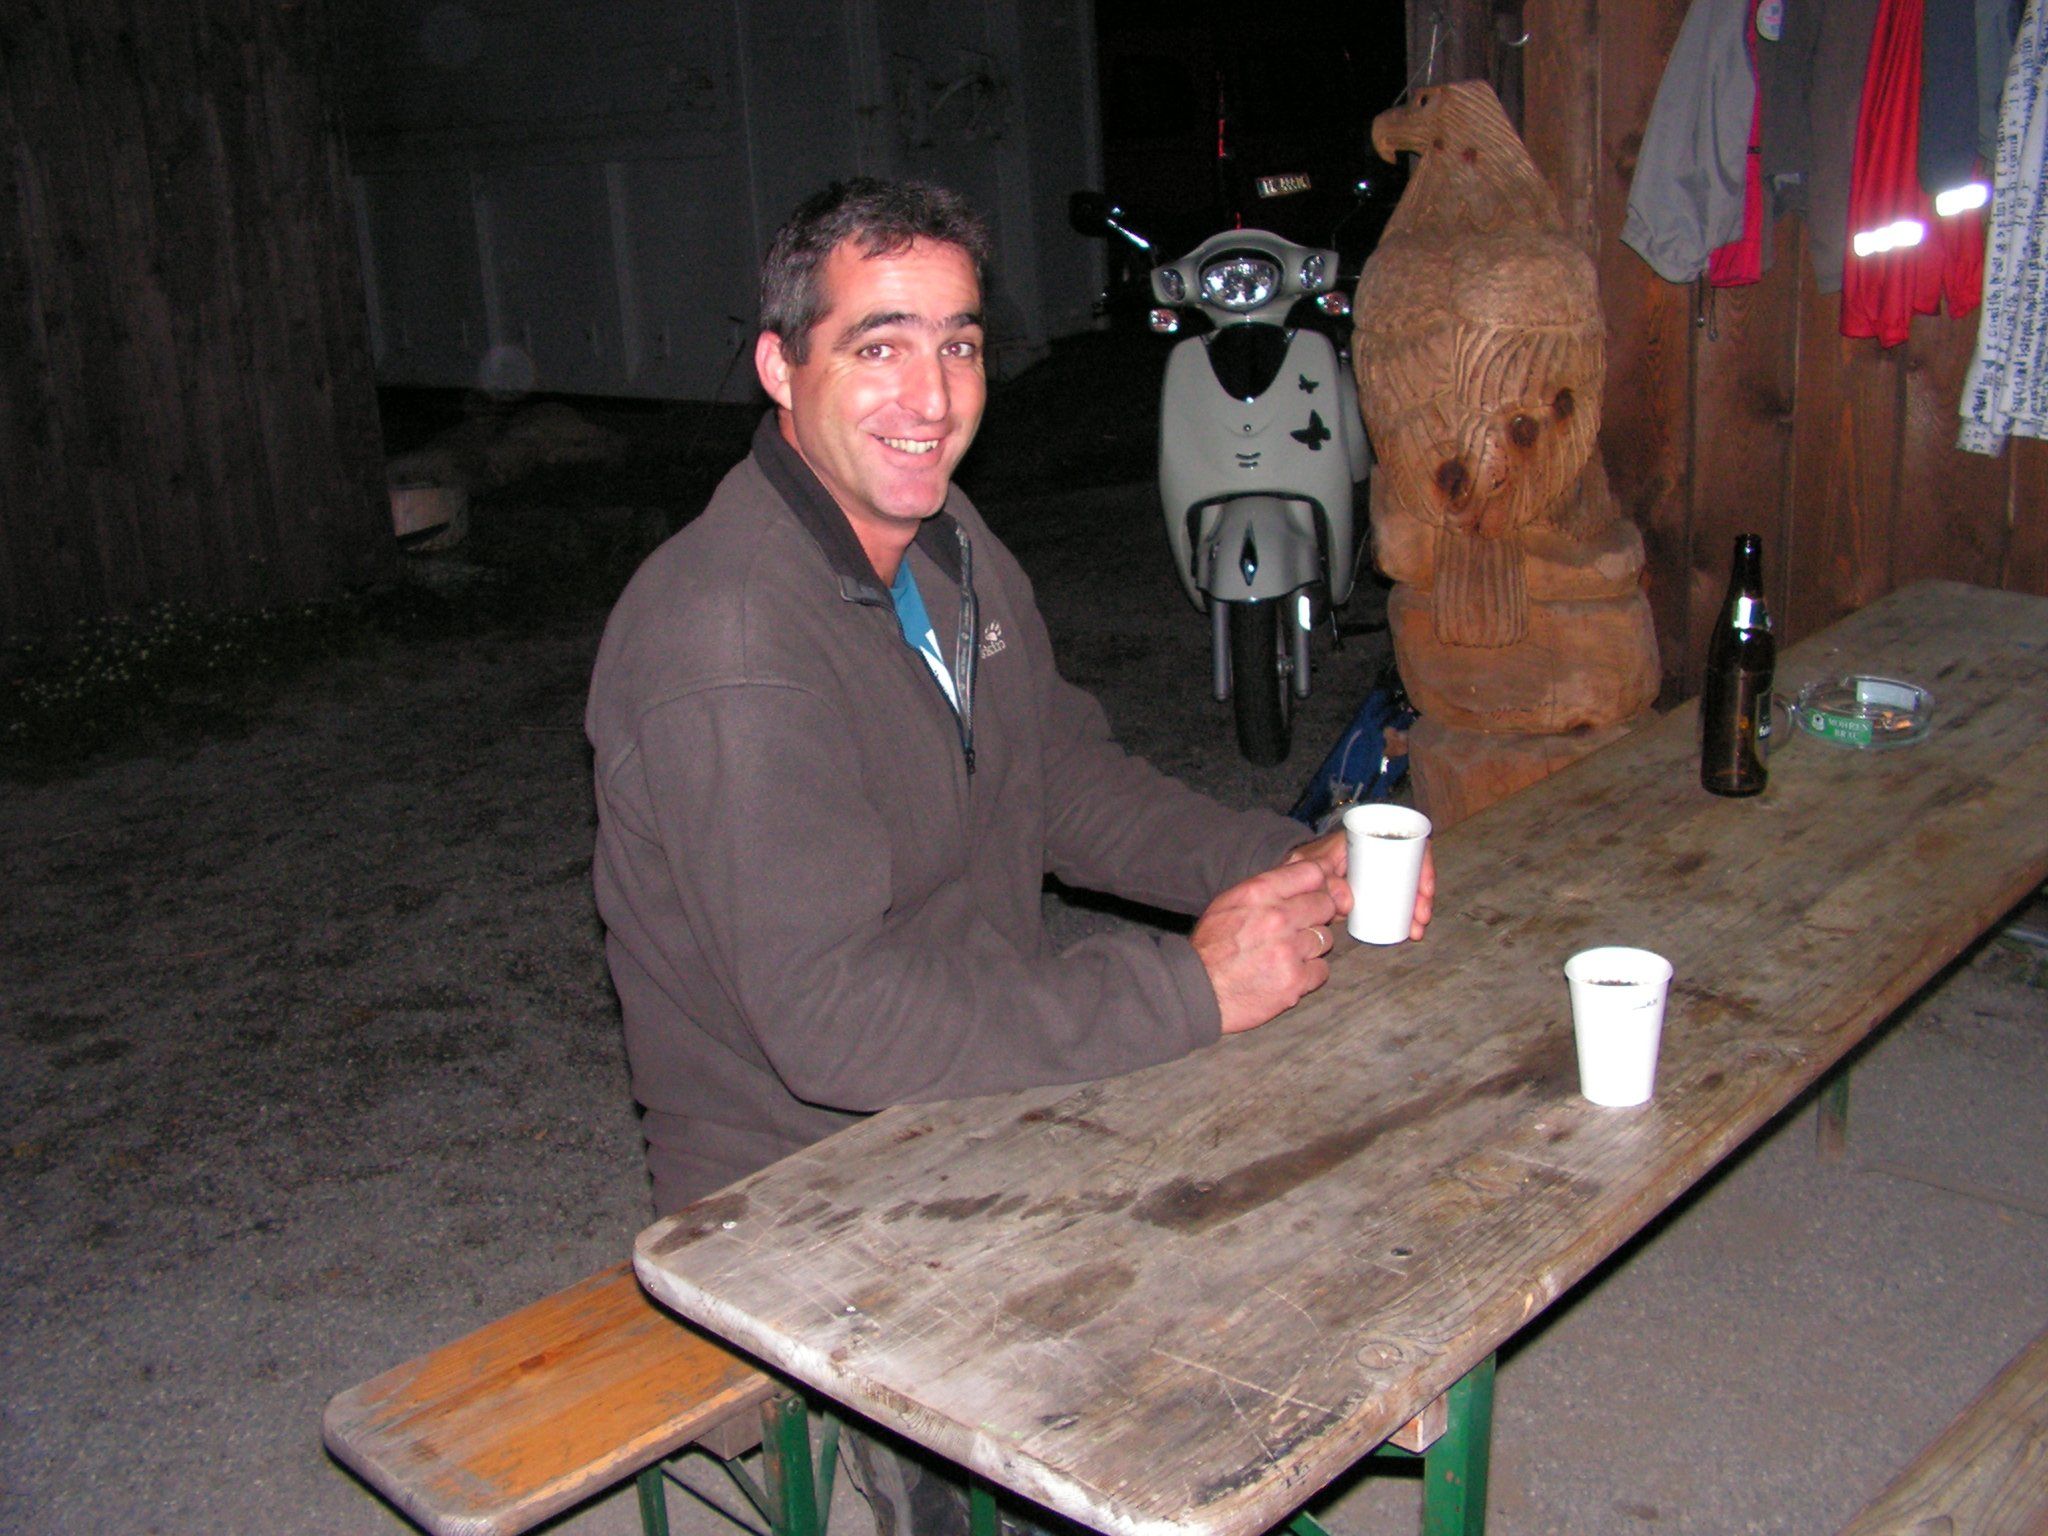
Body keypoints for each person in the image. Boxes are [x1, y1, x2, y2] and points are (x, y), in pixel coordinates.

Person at [586, 177, 1432, 1219]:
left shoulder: (943, 539)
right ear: (780, 368)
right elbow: (831, 1021)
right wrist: (1187, 989)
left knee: (1388, 1151)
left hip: (979, 1093)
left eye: (958, 345)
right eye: (878, 348)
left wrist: (1280, 863)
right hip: (802, 1188)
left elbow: (1060, 781)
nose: (932, 400)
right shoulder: (731, 641)